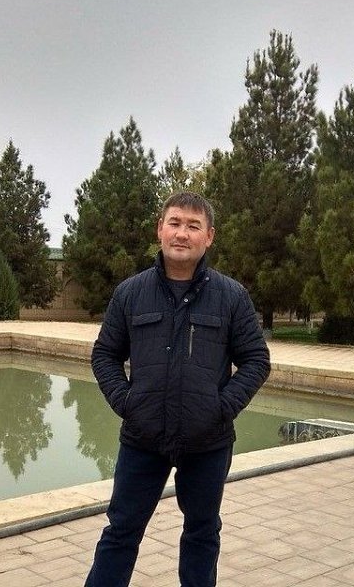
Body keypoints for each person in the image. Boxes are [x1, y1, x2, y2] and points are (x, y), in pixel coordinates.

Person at [84, 191, 271, 587]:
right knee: (121, 531)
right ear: (160, 229)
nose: (182, 233)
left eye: (193, 226)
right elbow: (105, 354)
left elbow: (256, 360)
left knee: (202, 533)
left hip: (207, 442)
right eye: (175, 223)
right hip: (143, 438)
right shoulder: (130, 293)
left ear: (209, 236)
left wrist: (221, 408)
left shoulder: (231, 296)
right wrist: (127, 402)